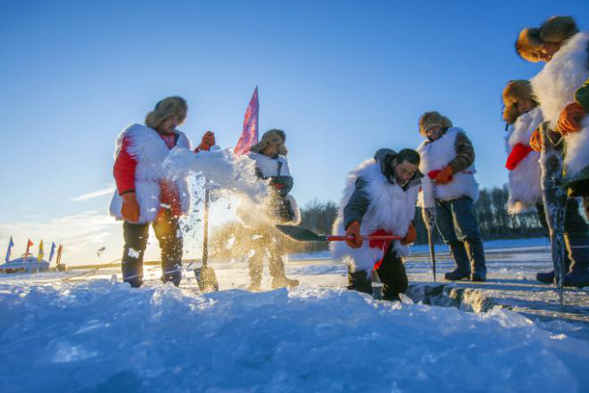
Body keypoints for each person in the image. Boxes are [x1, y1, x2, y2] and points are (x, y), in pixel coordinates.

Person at [109, 96, 215, 288]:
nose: (174, 122)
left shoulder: (180, 140)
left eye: (179, 118)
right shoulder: (138, 136)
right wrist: (129, 198)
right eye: (171, 117)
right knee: (135, 244)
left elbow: (186, 163)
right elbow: (122, 168)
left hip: (168, 201)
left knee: (173, 244)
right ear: (160, 116)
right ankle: (132, 287)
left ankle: (171, 285)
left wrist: (202, 149)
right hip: (140, 200)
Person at [516, 16, 589, 287]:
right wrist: (545, 131)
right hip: (579, 150)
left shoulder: (585, 49)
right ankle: (577, 265)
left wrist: (582, 102)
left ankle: (582, 264)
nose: (542, 55)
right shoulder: (556, 70)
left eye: (544, 48)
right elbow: (559, 110)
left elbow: (577, 100)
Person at [331, 148, 421, 301]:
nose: (406, 176)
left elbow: (406, 209)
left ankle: (391, 317)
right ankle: (358, 318)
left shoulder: (411, 184)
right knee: (361, 289)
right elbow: (355, 206)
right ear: (394, 163)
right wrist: (353, 225)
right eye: (403, 170)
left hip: (388, 237)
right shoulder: (371, 179)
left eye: (411, 173)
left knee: (398, 284)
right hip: (364, 235)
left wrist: (409, 226)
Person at [416, 111, 487, 282]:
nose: (431, 132)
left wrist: (449, 169)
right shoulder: (423, 149)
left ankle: (478, 268)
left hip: (457, 189)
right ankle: (462, 267)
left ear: (441, 126)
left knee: (466, 229)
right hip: (435, 196)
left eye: (434, 127)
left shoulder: (455, 136)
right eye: (428, 130)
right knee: (448, 233)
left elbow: (468, 155)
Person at [245, 129, 300, 291]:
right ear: (265, 143)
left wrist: (272, 185)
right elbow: (248, 179)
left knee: (276, 245)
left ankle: (279, 278)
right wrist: (266, 184)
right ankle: (255, 281)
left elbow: (287, 181)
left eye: (277, 145)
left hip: (276, 208)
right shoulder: (252, 158)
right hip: (256, 209)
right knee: (257, 246)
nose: (273, 149)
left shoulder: (281, 161)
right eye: (271, 144)